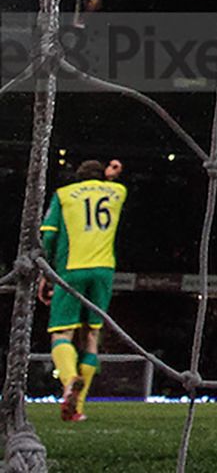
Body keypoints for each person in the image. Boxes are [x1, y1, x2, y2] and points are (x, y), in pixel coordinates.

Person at [39, 159, 128, 422]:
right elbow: (104, 188)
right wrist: (109, 178)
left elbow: (49, 235)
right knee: (91, 337)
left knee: (62, 334)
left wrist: (48, 274)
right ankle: (77, 409)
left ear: (77, 177)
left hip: (71, 269)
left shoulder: (64, 195)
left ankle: (69, 383)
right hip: (104, 270)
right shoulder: (118, 192)